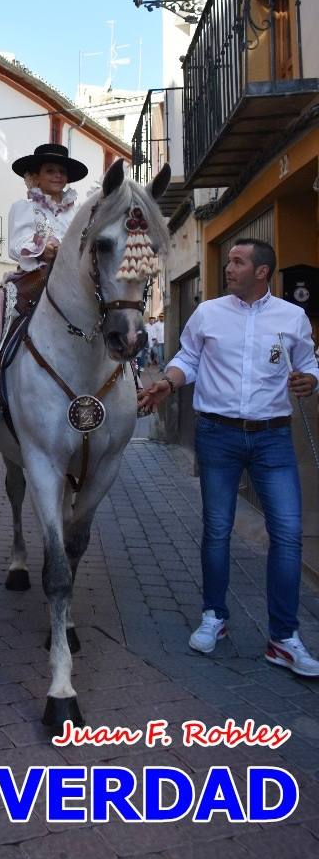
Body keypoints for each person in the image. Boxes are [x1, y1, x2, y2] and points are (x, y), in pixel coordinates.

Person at [139, 238, 319, 677]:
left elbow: (310, 363)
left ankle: (283, 638)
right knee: (217, 530)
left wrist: (310, 381)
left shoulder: (292, 317)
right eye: (230, 261)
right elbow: (188, 358)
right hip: (217, 435)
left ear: (262, 271)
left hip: (273, 438)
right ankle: (214, 616)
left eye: (238, 262)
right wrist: (168, 382)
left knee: (288, 534)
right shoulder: (208, 313)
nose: (228, 267)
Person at [0, 142, 89, 406]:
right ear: (36, 176)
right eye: (50, 170)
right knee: (0, 310)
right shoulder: (24, 207)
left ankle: (125, 379)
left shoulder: (77, 212)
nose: (58, 176)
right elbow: (15, 245)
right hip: (35, 277)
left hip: (74, 280)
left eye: (62, 172)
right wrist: (42, 249)